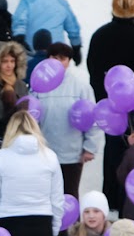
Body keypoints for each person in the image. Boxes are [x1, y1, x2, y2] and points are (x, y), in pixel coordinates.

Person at [86, 0, 134, 212]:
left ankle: (109, 197)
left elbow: (93, 69)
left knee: (112, 149)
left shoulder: (100, 35)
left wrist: (102, 97)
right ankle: (127, 197)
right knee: (132, 151)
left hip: (108, 106)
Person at [31, 43, 99, 199]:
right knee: (45, 197)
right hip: (44, 153)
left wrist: (90, 147)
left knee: (69, 196)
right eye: (54, 57)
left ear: (69, 61)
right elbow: (30, 118)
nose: (57, 62)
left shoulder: (80, 87)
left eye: (62, 58)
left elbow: (93, 118)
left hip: (71, 155)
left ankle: (72, 224)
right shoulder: (38, 86)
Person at [12, 0, 82, 63]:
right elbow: (73, 28)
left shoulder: (27, 0)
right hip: (56, 54)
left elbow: (19, 20)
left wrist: (19, 38)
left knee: (30, 76)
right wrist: (76, 48)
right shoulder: (61, 2)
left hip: (30, 52)